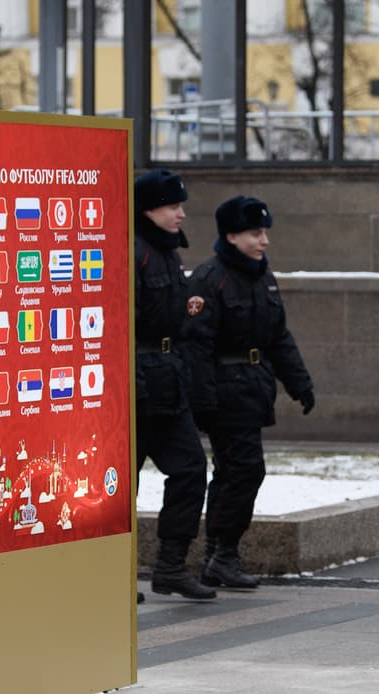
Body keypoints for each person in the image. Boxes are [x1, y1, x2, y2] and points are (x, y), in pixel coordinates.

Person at [184, 195, 315, 589]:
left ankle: (220, 554)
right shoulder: (210, 280)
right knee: (242, 470)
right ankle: (220, 554)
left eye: (264, 233)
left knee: (236, 472)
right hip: (225, 393)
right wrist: (203, 403)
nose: (264, 242)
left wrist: (299, 382)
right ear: (232, 236)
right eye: (256, 234)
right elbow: (197, 346)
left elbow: (278, 336)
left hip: (253, 390)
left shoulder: (262, 276)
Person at [132, 168, 215, 601]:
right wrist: (137, 382)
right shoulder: (134, 251)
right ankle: (115, 573)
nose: (182, 214)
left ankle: (170, 567)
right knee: (121, 486)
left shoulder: (166, 252)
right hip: (139, 387)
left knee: (189, 470)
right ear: (149, 209)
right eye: (173, 205)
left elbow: (180, 325)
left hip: (169, 384)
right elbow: (120, 324)